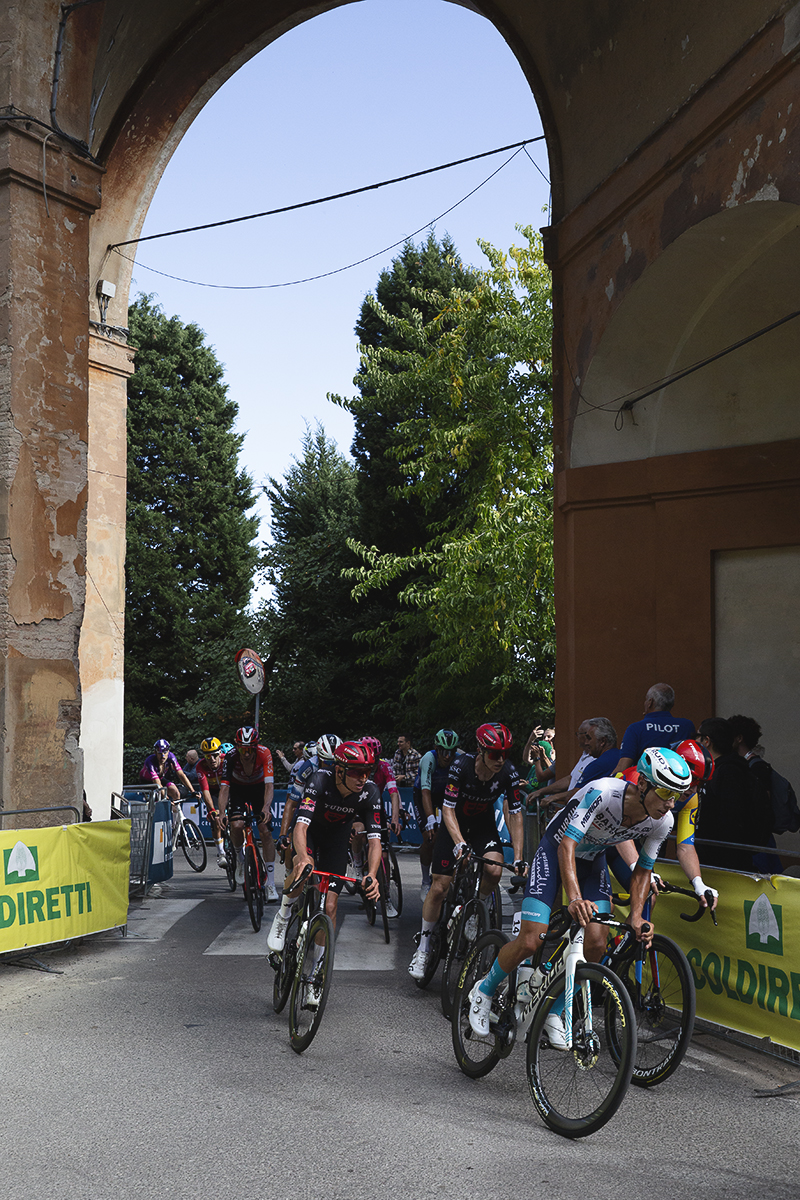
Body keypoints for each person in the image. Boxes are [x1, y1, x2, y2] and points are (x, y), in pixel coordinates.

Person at [467, 747, 692, 1044]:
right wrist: (574, 898)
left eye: (676, 796)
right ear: (644, 785)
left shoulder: (662, 822)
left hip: (592, 860)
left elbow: (642, 872)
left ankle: (554, 1012)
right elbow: (567, 846)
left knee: (597, 942)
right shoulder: (602, 792)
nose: (670, 804)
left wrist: (637, 916)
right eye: (665, 793)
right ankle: (483, 989)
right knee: (533, 938)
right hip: (555, 849)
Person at [408, 722, 526, 981]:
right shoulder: (460, 768)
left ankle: (475, 911)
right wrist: (459, 843)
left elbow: (516, 814)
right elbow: (447, 809)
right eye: (495, 754)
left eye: (505, 753)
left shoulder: (508, 772)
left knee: (494, 870)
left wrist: (518, 856)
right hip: (455, 824)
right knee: (440, 887)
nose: (500, 759)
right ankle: (424, 947)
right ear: (480, 750)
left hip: (482, 825)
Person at [267, 741, 382, 956]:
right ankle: (283, 915)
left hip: (337, 838)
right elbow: (301, 826)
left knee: (330, 907)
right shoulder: (319, 779)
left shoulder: (370, 791)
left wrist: (373, 875)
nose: (364, 778)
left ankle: (318, 971)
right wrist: (302, 857)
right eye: (357, 772)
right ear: (339, 770)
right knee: (302, 871)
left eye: (367, 771)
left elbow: (375, 841)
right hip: (310, 831)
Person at [607, 738, 719, 910]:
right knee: (602, 908)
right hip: (603, 839)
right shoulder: (639, 779)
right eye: (693, 780)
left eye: (700, 784)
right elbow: (619, 830)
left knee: (646, 899)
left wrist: (699, 883)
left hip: (630, 841)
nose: (693, 789)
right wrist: (641, 872)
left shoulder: (690, 798)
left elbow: (685, 846)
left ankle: (628, 937)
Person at [695, 717, 773, 872]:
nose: (694, 741)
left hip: (722, 865)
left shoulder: (729, 772)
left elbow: (731, 821)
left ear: (706, 741)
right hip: (710, 859)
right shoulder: (717, 769)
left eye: (697, 736)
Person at [218, 726, 278, 900]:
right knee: (236, 825)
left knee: (265, 831)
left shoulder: (264, 753)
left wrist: (266, 807)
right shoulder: (230, 757)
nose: (246, 754)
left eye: (249, 749)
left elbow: (269, 785)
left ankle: (271, 884)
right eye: (242, 749)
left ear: (255, 747)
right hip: (238, 789)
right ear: (237, 747)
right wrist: (222, 812)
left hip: (259, 788)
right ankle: (239, 857)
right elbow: (224, 788)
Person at [411, 729, 461, 900]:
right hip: (426, 795)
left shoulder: (459, 760)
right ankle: (425, 881)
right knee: (429, 837)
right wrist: (431, 819)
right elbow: (425, 792)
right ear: (436, 748)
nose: (447, 756)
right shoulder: (428, 759)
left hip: (446, 796)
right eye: (443, 752)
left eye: (451, 752)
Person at [615, 683, 696, 773]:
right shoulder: (687, 726)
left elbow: (623, 766)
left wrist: (606, 780)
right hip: (682, 781)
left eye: (646, 700)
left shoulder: (635, 729)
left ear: (650, 702)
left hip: (648, 783)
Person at [140, 739, 195, 804]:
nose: (163, 756)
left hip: (160, 778)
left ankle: (176, 813)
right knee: (160, 798)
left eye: (165, 753)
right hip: (147, 782)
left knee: (176, 793)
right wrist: (165, 797)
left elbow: (181, 774)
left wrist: (193, 791)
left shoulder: (171, 757)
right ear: (155, 753)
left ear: (168, 752)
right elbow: (157, 782)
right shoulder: (150, 761)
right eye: (160, 753)